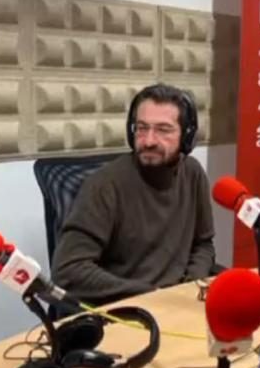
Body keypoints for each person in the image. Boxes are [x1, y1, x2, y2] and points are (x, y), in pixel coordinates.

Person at [52, 84, 216, 304]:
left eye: (163, 130)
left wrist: (190, 286)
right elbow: (68, 270)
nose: (149, 141)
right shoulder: (105, 185)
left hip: (178, 303)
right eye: (142, 128)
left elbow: (203, 244)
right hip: (128, 307)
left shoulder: (192, 173)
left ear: (186, 136)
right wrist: (152, 295)